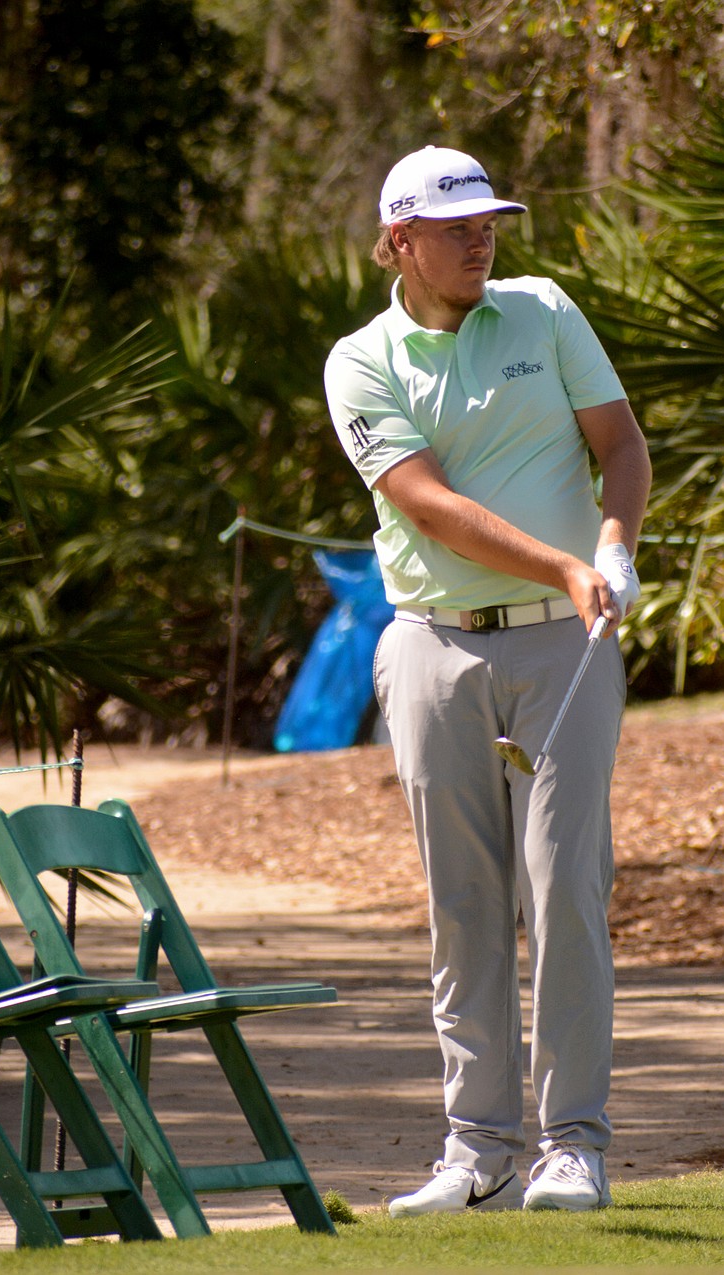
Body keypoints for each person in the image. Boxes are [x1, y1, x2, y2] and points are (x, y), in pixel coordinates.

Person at [324, 145, 652, 1214]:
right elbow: (423, 503)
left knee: (564, 893)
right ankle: (477, 1151)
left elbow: (620, 444)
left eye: (489, 219)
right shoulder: (360, 361)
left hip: (568, 643)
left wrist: (610, 548)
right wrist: (558, 560)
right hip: (431, 645)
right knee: (462, 905)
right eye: (457, 224)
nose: (481, 237)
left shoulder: (543, 309)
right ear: (398, 241)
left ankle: (573, 1146)